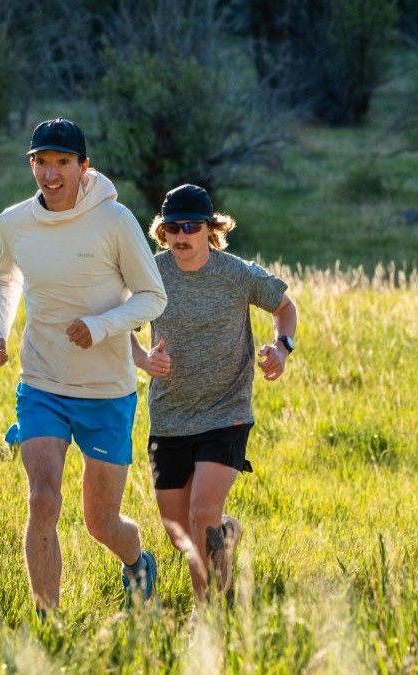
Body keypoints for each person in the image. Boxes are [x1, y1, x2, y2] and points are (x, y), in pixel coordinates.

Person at [0, 118, 168, 612]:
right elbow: (5, 280)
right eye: (41, 161)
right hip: (41, 380)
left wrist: (101, 325)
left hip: (106, 389)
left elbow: (153, 296)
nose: (51, 173)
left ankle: (137, 564)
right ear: (32, 165)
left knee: (101, 523)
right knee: (43, 500)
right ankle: (48, 623)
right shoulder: (13, 222)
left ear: (84, 168)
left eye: (63, 162)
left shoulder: (115, 220)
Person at [130, 183, 298, 603]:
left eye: (190, 227)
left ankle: (208, 616)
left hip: (227, 413)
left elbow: (285, 308)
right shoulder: (151, 274)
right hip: (170, 416)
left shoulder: (237, 274)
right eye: (172, 228)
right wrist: (144, 359)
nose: (181, 236)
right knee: (179, 533)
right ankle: (226, 534)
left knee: (200, 512)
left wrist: (281, 348)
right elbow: (121, 326)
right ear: (162, 231)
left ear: (210, 229)